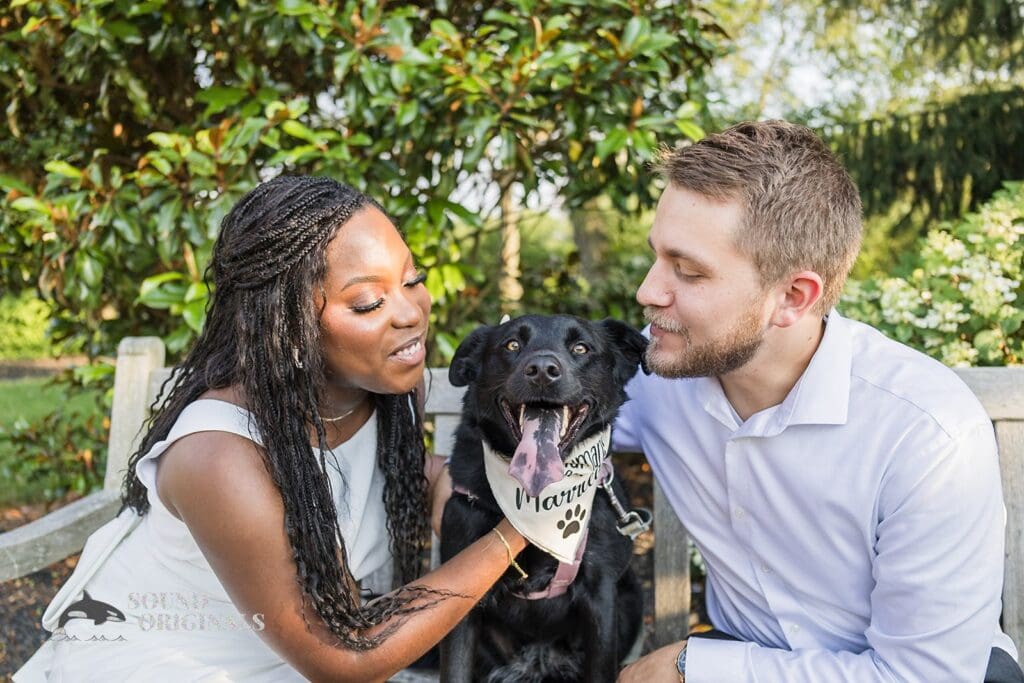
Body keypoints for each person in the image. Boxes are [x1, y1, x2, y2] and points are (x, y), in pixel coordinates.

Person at [14, 175, 527, 682]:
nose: (410, 313)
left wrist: (496, 494)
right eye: (369, 302)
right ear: (289, 327)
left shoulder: (387, 391)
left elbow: (422, 475)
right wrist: (513, 537)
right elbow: (347, 657)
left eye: (412, 280)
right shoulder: (218, 455)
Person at [614, 120, 1023, 682]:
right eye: (657, 256)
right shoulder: (658, 380)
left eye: (688, 271)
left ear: (793, 297)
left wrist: (695, 667)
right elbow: (522, 410)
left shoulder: (926, 432)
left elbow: (924, 676)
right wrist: (449, 473)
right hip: (749, 654)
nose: (648, 291)